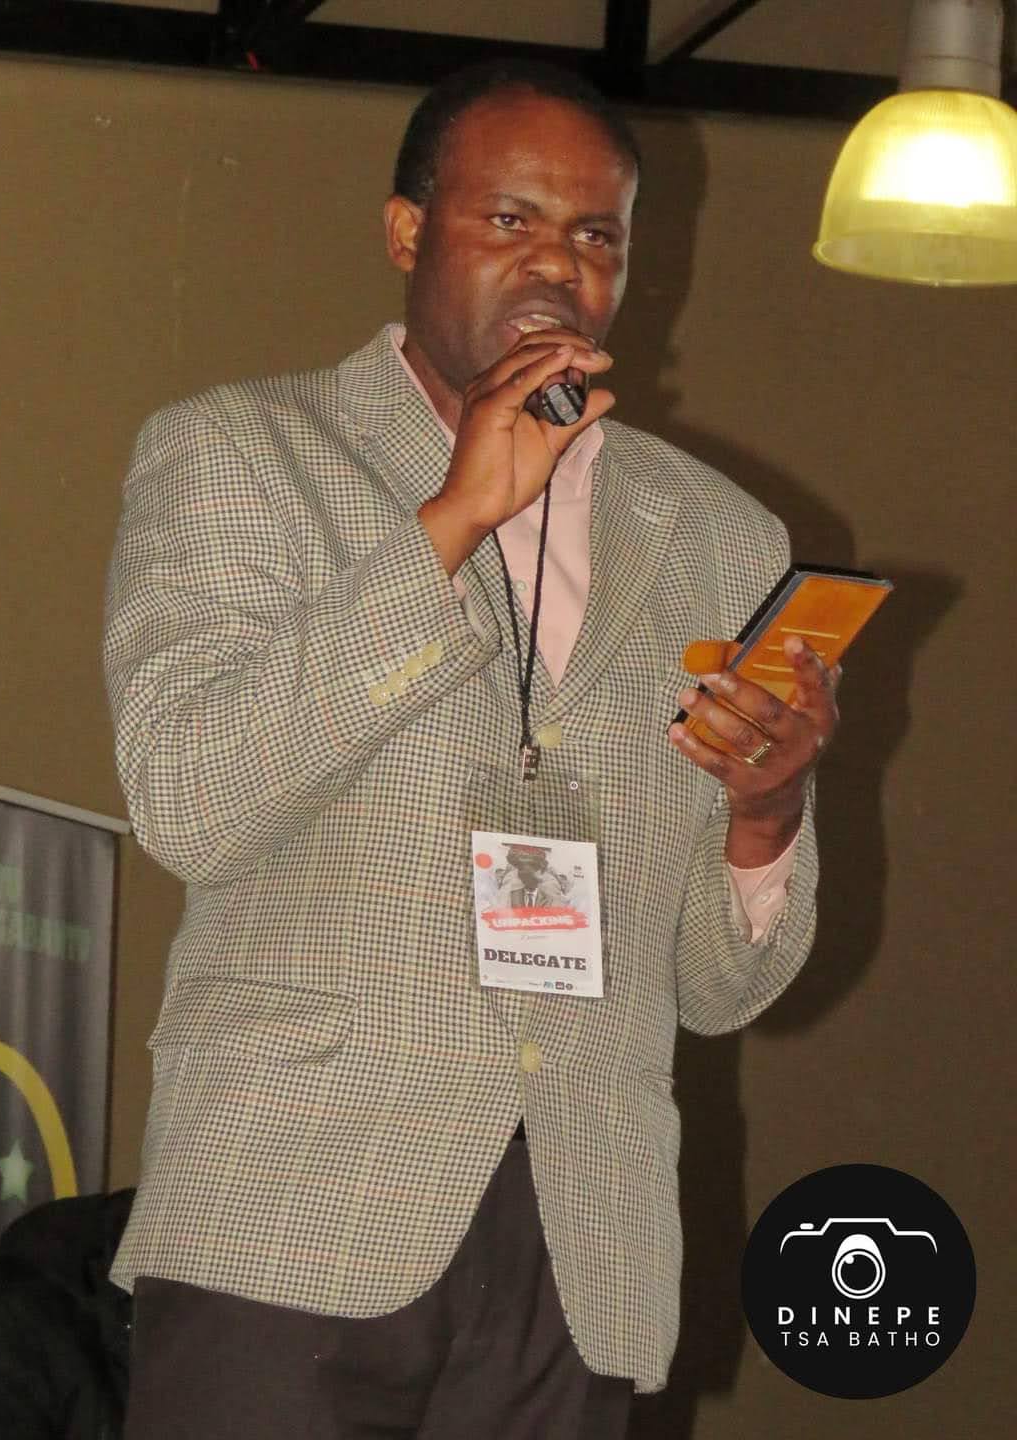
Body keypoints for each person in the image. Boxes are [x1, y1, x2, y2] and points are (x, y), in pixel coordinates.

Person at [103, 58, 838, 1439]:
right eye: (511, 219)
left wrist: (768, 809)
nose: (557, 263)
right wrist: (450, 522)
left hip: (581, 1245)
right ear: (407, 233)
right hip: (295, 1212)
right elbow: (192, 801)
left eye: (596, 234)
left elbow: (719, 985)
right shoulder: (243, 454)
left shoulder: (721, 538)